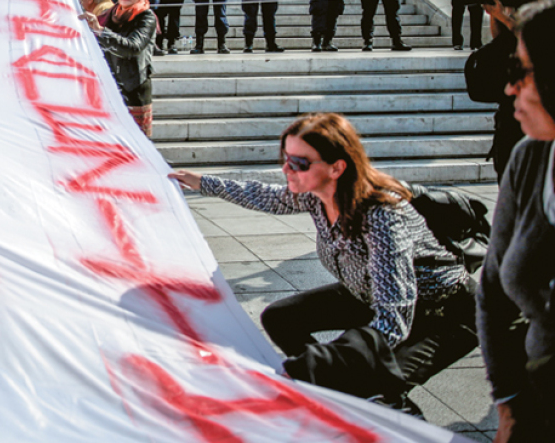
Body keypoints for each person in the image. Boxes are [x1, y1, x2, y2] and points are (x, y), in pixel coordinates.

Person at [170, 112, 478, 414]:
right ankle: (341, 395)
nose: (287, 170)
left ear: (337, 168)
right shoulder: (315, 195)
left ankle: (393, 414)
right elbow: (266, 196)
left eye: (299, 163)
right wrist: (201, 182)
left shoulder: (381, 215)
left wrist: (328, 361)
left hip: (442, 313)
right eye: (285, 158)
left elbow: (394, 315)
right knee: (281, 318)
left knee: (372, 385)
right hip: (369, 294)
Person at [477, 0, 555, 441]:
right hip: (536, 386)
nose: (509, 90)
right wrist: (507, 400)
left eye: (520, 72)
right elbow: (492, 287)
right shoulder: (530, 157)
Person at [468, 0, 553, 182]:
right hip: (514, 105)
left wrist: (506, 17)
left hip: (541, 104)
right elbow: (501, 41)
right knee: (506, 169)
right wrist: (495, 14)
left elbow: (536, 42)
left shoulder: (548, 5)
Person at [82, 0, 156, 137]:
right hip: (111, 90)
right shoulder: (112, 13)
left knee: (138, 150)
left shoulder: (147, 17)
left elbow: (133, 47)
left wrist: (101, 31)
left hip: (134, 91)